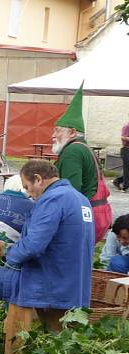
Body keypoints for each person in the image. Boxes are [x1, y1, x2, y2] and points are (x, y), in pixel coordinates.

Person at [0, 160, 94, 317]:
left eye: (27, 187)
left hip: (44, 282)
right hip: (74, 286)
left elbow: (32, 246)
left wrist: (7, 251)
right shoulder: (81, 199)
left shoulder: (51, 199)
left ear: (38, 179)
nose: (28, 194)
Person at [53, 83, 112, 242]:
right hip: (97, 213)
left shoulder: (72, 151)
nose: (53, 135)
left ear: (72, 132)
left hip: (86, 216)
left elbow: (71, 191)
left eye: (57, 130)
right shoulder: (83, 148)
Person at [121, 116, 129, 192]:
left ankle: (117, 181)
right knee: (126, 170)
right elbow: (122, 137)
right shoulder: (127, 126)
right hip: (126, 150)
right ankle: (125, 187)